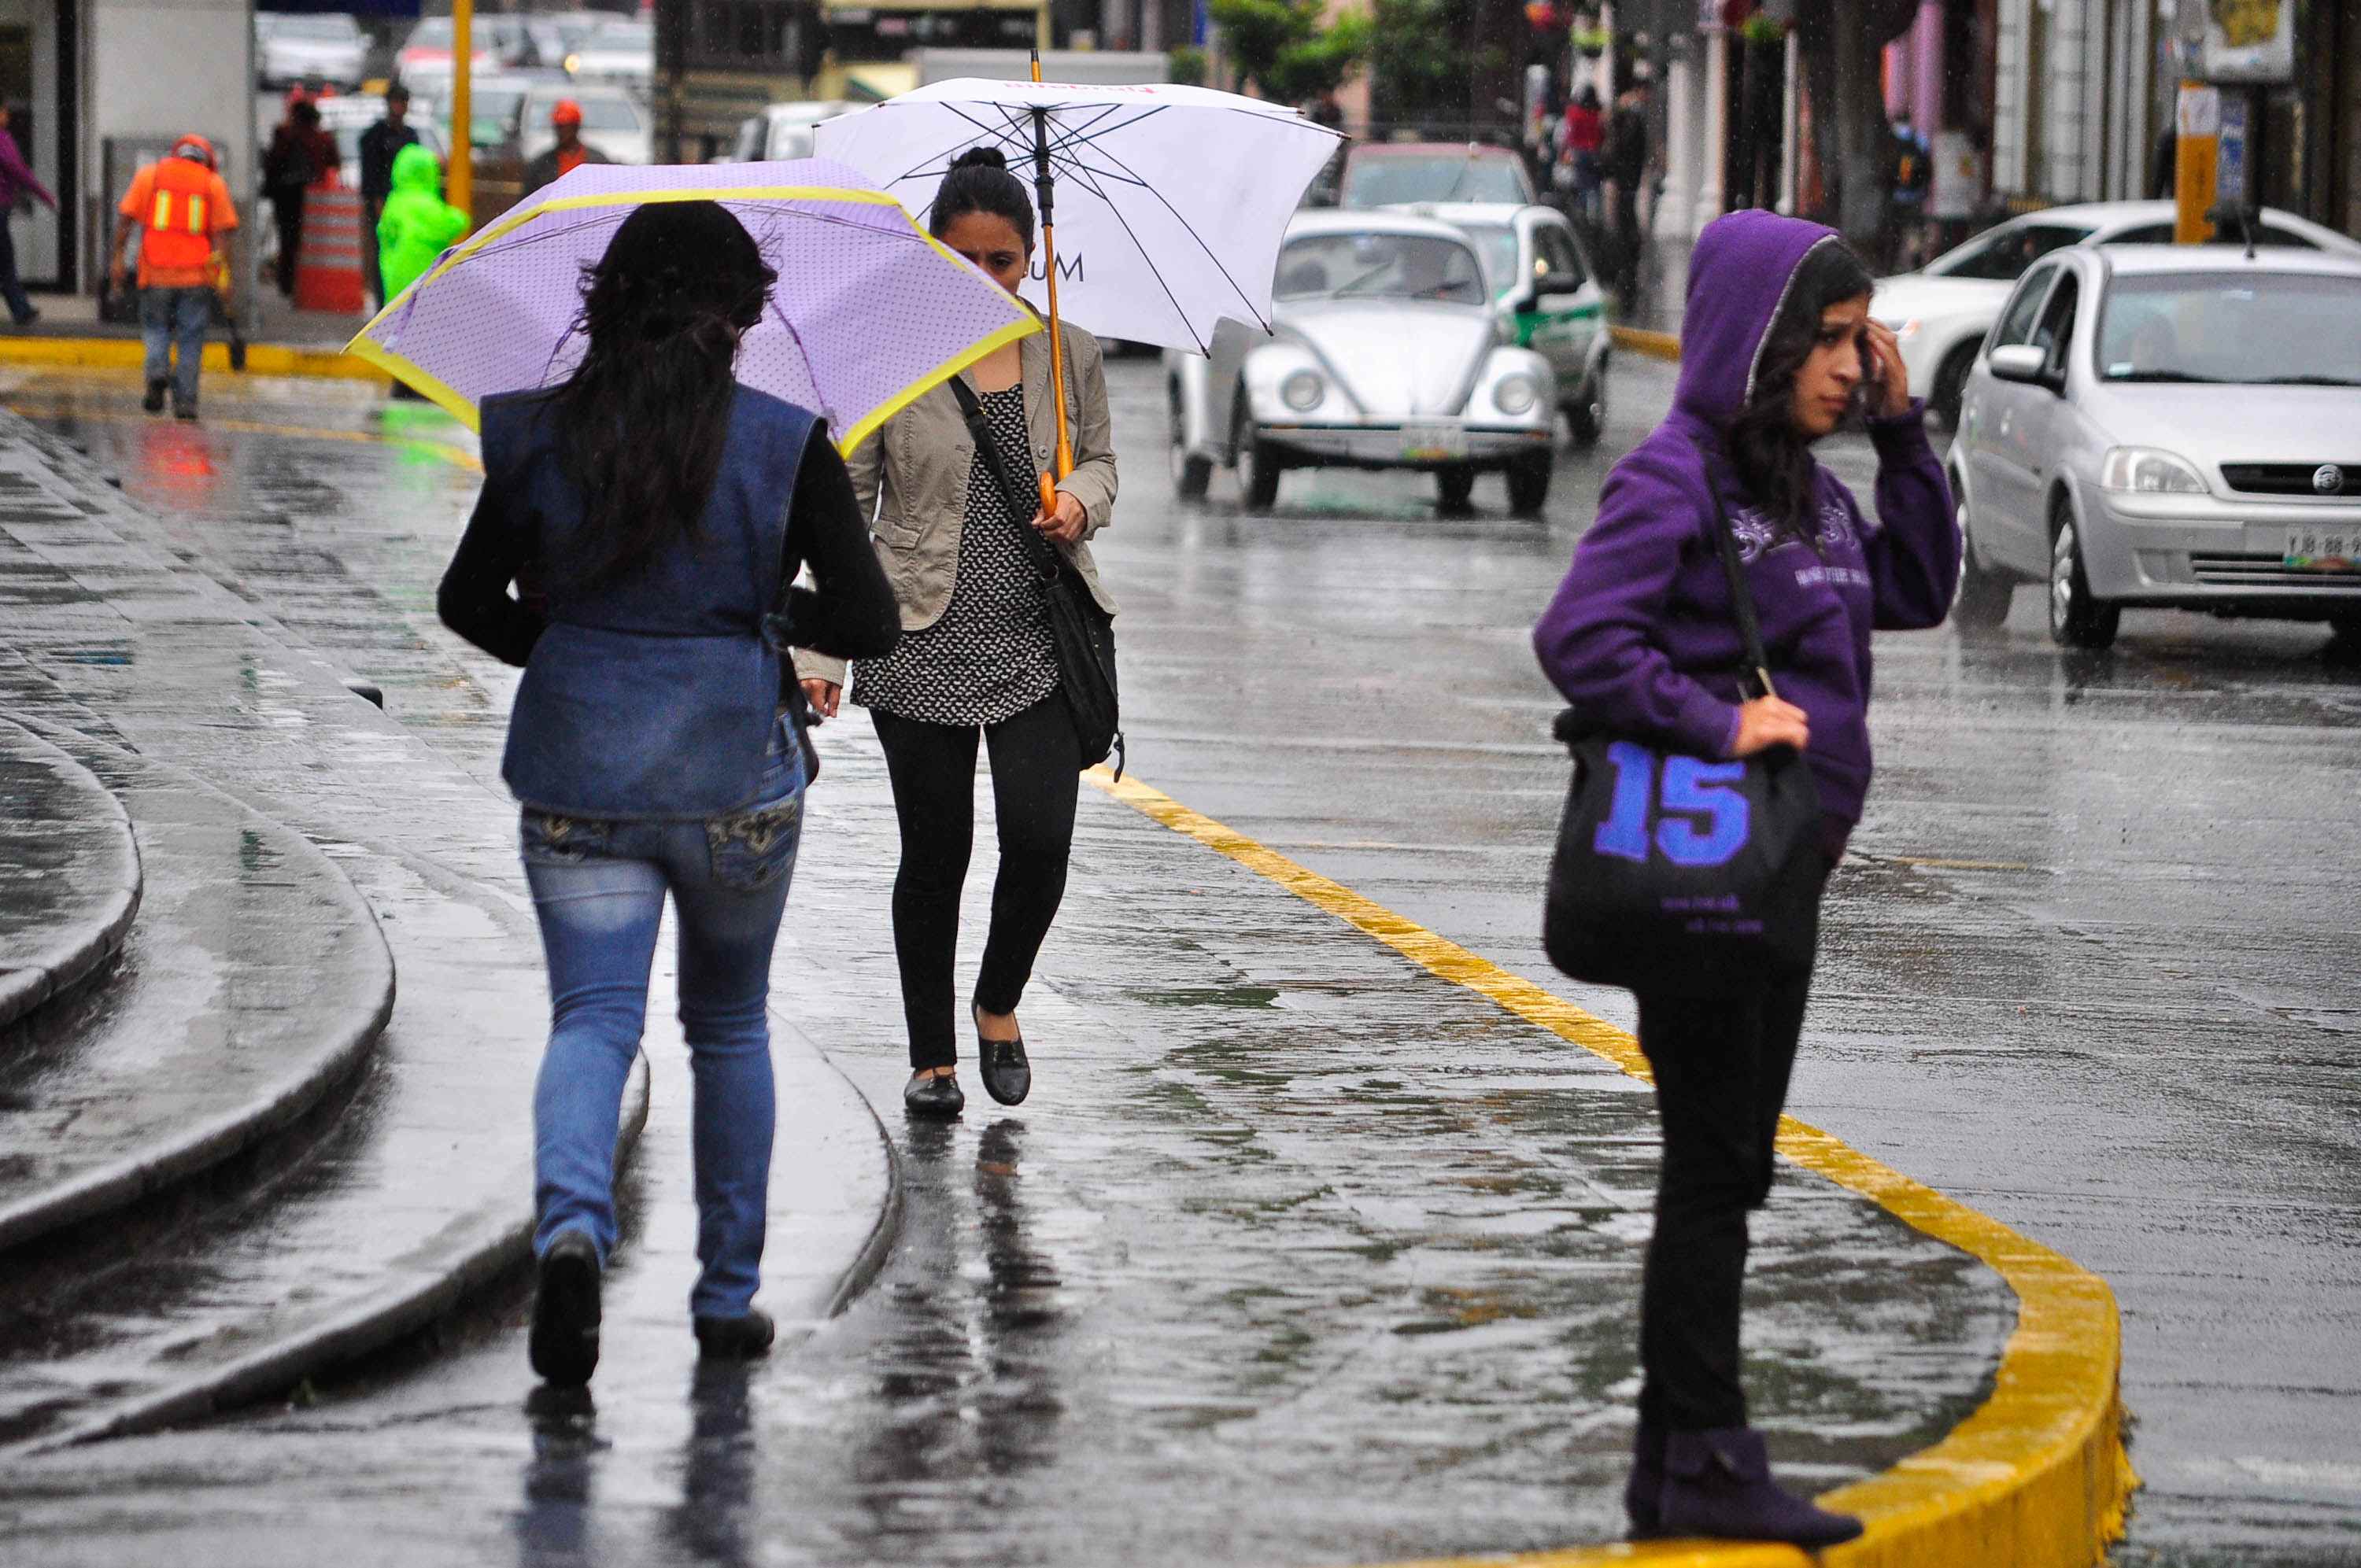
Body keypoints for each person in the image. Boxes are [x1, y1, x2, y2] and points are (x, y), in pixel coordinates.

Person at [1531, 210, 1959, 1546]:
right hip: (1708, 881)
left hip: (1779, 879)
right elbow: (1579, 637)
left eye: (1858, 338)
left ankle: (1680, 1463)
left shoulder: (1806, 487)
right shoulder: (1679, 476)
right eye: (1828, 340)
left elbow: (1922, 585)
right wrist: (1722, 721)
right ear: (1759, 341)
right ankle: (1705, 1461)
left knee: (1723, 1170)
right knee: (1716, 1175)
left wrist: (1904, 432)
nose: (1850, 362)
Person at [436, 200, 900, 1386]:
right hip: (733, 774)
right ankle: (726, 1298)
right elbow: (868, 621)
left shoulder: (538, 434)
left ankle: (574, 1232)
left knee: (594, 1020)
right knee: (729, 1028)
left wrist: (569, 641)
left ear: (605, 298)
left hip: (578, 767)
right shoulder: (788, 441)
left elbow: (467, 602)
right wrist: (765, 616)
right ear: (742, 312)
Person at [793, 147, 1118, 1121]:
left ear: (1032, 261)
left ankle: (999, 1000)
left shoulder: (1071, 353)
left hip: (1038, 639)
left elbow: (1102, 463)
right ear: (932, 254)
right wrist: (822, 648)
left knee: (1042, 844)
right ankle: (932, 1056)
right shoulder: (887, 357)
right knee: (935, 856)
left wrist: (1079, 504)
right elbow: (842, 511)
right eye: (965, 259)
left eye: (1006, 260)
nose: (987, 278)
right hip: (917, 636)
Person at [110, 135, 238, 421]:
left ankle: (157, 372)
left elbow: (125, 220)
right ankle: (186, 403)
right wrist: (225, 280)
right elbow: (222, 240)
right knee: (191, 337)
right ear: (206, 161)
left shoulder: (150, 176)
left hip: (155, 273)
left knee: (156, 328)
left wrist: (117, 257)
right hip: (196, 277)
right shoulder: (212, 184)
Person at [378, 143, 468, 307]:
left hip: (393, 282)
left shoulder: (394, 201)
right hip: (420, 281)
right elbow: (455, 223)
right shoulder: (423, 204)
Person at [263, 94, 334, 299]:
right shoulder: (320, 138)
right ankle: (306, 284)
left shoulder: (285, 134)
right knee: (309, 242)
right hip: (314, 196)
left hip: (285, 195)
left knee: (288, 240)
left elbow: (273, 162)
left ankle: (288, 283)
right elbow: (331, 162)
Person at [358, 83, 423, 308]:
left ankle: (402, 302)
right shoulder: (376, 135)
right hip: (384, 204)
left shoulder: (410, 135)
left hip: (407, 205)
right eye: (396, 101)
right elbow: (371, 174)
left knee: (405, 256)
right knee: (383, 257)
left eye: (403, 102)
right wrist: (378, 204)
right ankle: (383, 304)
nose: (400, 107)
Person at [0, 102, 57, 328]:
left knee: (4, 262)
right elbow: (17, 169)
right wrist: (45, 196)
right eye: (3, 112)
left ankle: (21, 309)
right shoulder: (2, 139)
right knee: (5, 262)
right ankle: (21, 310)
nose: (7, 116)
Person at [1602, 79, 1652, 303]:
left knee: (1626, 220)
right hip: (1627, 180)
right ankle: (1625, 268)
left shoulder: (1631, 117)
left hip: (1627, 180)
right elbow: (1625, 149)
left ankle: (1625, 269)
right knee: (1626, 222)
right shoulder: (1632, 117)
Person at [522, 99, 610, 197]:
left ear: (576, 127)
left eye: (567, 127)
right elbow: (529, 198)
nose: (562, 132)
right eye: (559, 127)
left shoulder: (597, 162)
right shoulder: (541, 165)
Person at [1560, 84, 1605, 224]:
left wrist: (1565, 151)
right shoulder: (1596, 114)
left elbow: (1569, 135)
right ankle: (1595, 217)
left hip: (1579, 154)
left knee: (1581, 186)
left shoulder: (1573, 113)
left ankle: (1582, 217)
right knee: (1594, 188)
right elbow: (1602, 134)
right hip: (1594, 154)